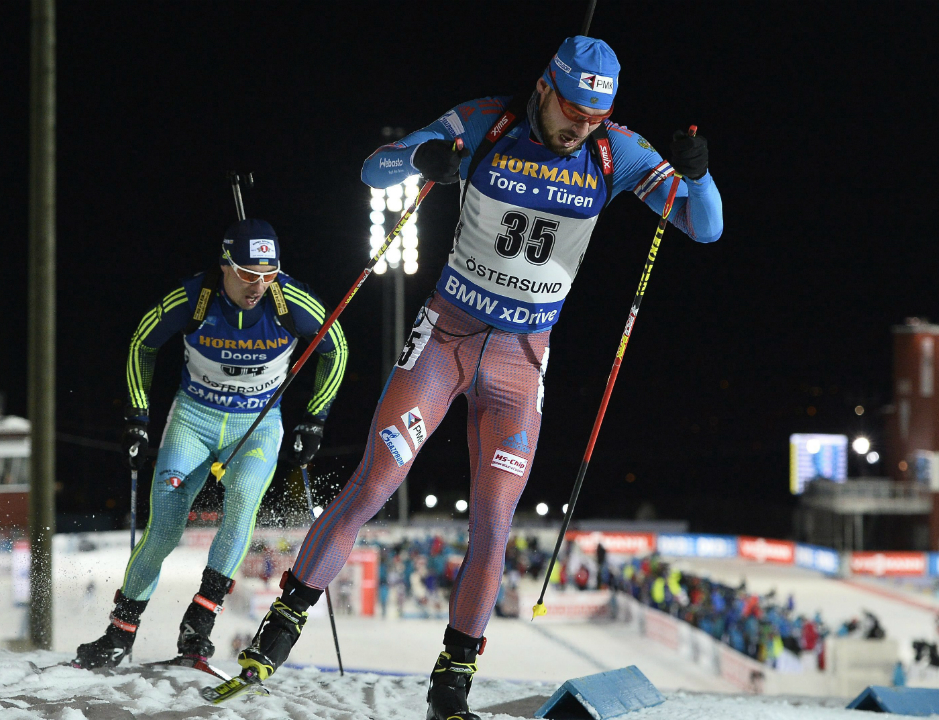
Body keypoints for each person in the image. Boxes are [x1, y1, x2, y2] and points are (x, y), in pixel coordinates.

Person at [235, 36, 722, 719]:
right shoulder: (487, 123)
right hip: (446, 341)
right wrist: (423, 157)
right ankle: (282, 624)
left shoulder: (614, 152)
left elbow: (706, 226)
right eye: (572, 113)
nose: (580, 129)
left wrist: (698, 175)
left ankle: (452, 682)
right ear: (544, 88)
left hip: (520, 363)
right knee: (375, 481)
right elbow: (376, 171)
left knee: (494, 524)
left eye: (594, 118)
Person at [73, 218, 348, 668]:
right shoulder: (193, 298)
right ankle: (120, 633)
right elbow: (143, 341)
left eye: (268, 274)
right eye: (246, 273)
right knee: (163, 530)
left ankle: (198, 625)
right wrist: (137, 417)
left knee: (242, 501)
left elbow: (335, 346)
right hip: (194, 420)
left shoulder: (288, 301)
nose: (258, 285)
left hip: (257, 426)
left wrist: (314, 420)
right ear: (224, 265)